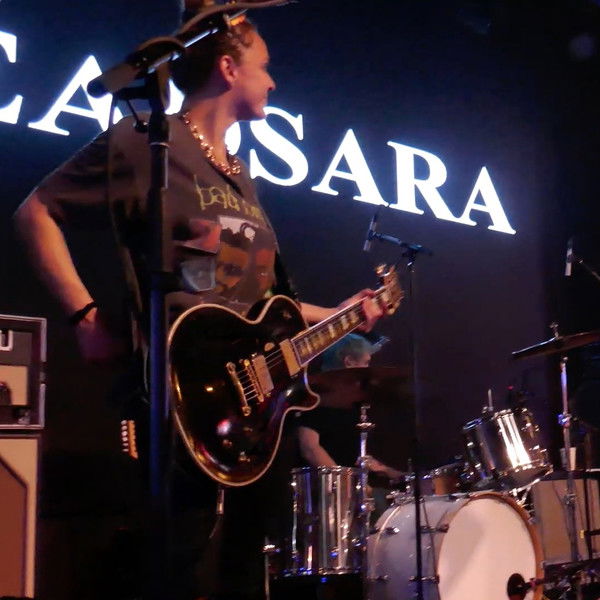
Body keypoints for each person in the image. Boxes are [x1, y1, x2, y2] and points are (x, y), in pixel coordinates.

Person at [13, 13, 382, 600]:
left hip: (256, 413)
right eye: (265, 66)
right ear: (228, 68)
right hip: (177, 398)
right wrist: (83, 315)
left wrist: (344, 313)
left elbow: (265, 304)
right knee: (172, 561)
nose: (273, 82)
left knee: (247, 569)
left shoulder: (242, 176)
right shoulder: (147, 142)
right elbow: (35, 213)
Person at [296, 333, 403, 482]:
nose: (368, 368)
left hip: (355, 486)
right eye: (366, 362)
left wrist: (385, 470)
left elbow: (351, 454)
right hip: (325, 489)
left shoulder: (356, 404)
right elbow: (309, 448)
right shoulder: (316, 399)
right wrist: (347, 484)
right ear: (349, 362)